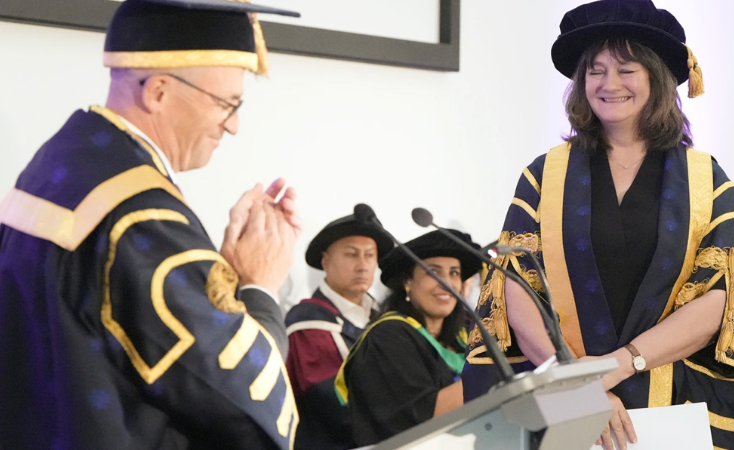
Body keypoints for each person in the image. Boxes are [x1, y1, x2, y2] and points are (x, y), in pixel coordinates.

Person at [461, 2, 734, 450]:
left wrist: (619, 365)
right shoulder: (544, 174)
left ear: (656, 77)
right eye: (595, 70)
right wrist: (577, 383)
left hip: (670, 407)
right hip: (562, 401)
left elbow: (720, 302)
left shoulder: (707, 179)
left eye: (626, 69)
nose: (609, 84)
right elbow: (515, 286)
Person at [0, 1, 303, 449]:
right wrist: (260, 286)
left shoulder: (58, 169)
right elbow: (240, 402)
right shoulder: (142, 216)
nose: (234, 125)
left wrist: (218, 280)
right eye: (226, 104)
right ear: (158, 91)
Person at [334, 229, 482, 446]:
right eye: (433, 272)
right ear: (408, 282)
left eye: (454, 273)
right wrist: (494, 375)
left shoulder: (465, 337)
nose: (447, 283)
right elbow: (424, 416)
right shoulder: (387, 337)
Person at [284, 214, 393, 450]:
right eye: (351, 254)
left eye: (370, 255)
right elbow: (331, 402)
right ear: (325, 261)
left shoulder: (388, 318)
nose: (363, 265)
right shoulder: (307, 324)